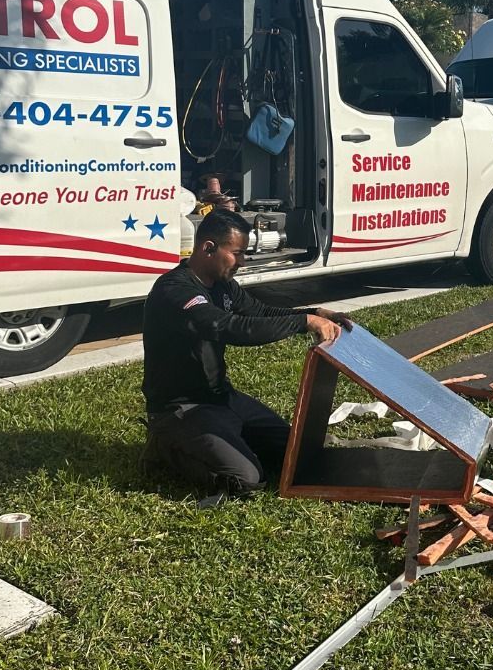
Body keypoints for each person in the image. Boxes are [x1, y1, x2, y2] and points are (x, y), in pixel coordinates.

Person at [142, 209, 351, 499]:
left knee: (296, 451)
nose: (242, 261)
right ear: (208, 248)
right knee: (246, 478)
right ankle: (164, 444)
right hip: (182, 408)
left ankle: (230, 439)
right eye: (237, 253)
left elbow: (260, 312)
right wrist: (302, 323)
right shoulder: (174, 291)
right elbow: (228, 327)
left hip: (223, 398)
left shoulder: (224, 285)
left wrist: (313, 312)